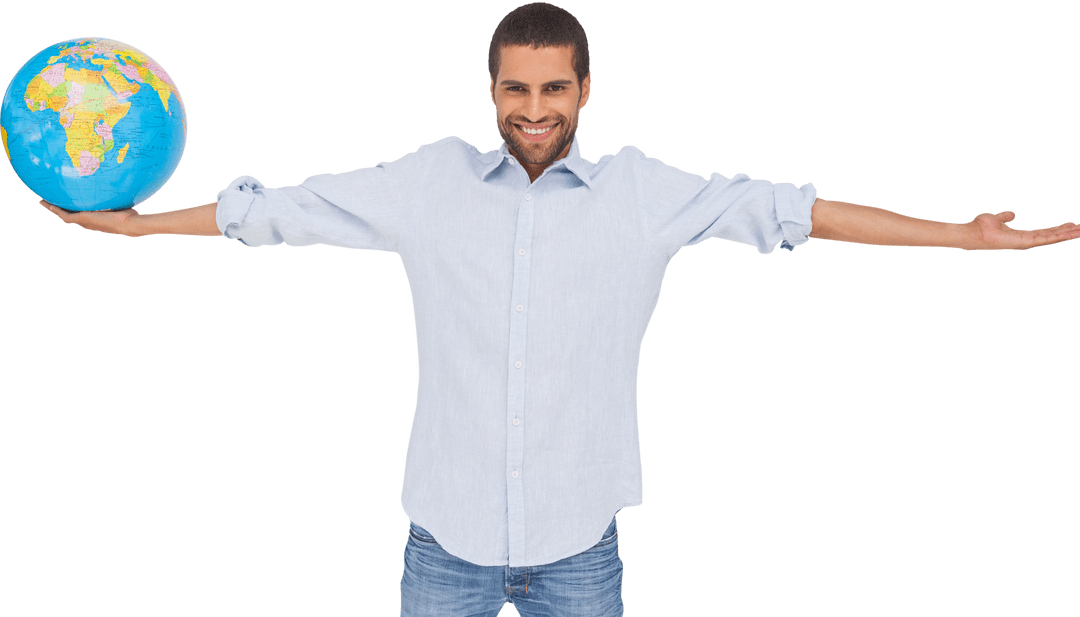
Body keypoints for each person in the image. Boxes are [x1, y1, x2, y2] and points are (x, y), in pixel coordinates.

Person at [39, 3, 1080, 616]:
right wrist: (135, 228)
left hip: (581, 548)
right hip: (441, 545)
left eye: (553, 90)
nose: (533, 111)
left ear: (585, 89)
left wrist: (960, 235)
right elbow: (275, 213)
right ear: (490, 92)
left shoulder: (645, 192)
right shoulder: (430, 182)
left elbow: (796, 212)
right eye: (515, 91)